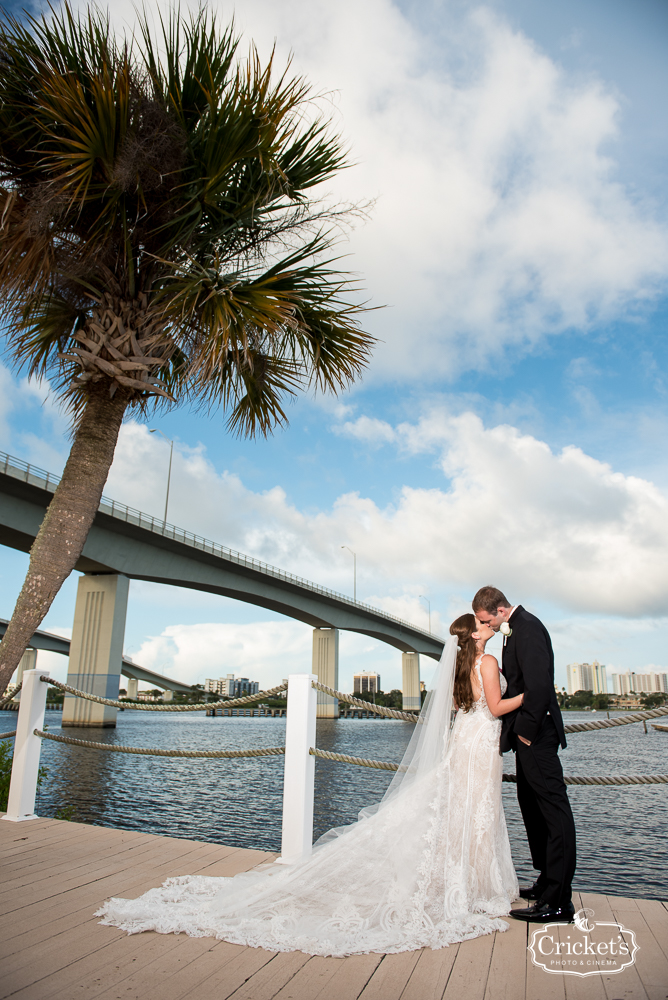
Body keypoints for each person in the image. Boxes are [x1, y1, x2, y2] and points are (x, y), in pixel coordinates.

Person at [97, 616, 522, 957]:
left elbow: (462, 706)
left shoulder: (459, 669)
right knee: (475, 810)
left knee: (462, 810)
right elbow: (498, 705)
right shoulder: (486, 664)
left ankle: (465, 882)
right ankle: (474, 885)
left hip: (465, 740)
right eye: (484, 625)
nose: (491, 627)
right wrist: (530, 695)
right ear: (475, 635)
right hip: (479, 743)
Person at [472, 586, 577, 924]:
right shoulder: (513, 629)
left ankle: (559, 900)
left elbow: (540, 687)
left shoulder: (528, 627)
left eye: (486, 620)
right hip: (525, 736)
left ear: (500, 610)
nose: (484, 626)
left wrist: (526, 734)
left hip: (537, 734)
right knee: (531, 808)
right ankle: (546, 881)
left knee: (553, 812)